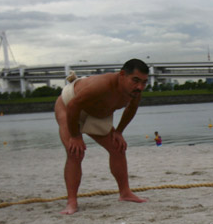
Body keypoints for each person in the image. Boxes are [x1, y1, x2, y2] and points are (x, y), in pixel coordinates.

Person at [54, 58, 150, 214]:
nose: (140, 86)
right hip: (68, 106)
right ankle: (72, 202)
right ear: (122, 75)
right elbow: (73, 106)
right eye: (135, 80)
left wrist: (118, 132)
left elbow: (131, 109)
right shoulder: (102, 85)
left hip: (96, 113)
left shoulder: (135, 92)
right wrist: (75, 136)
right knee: (75, 152)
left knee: (118, 148)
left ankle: (125, 193)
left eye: (144, 82)